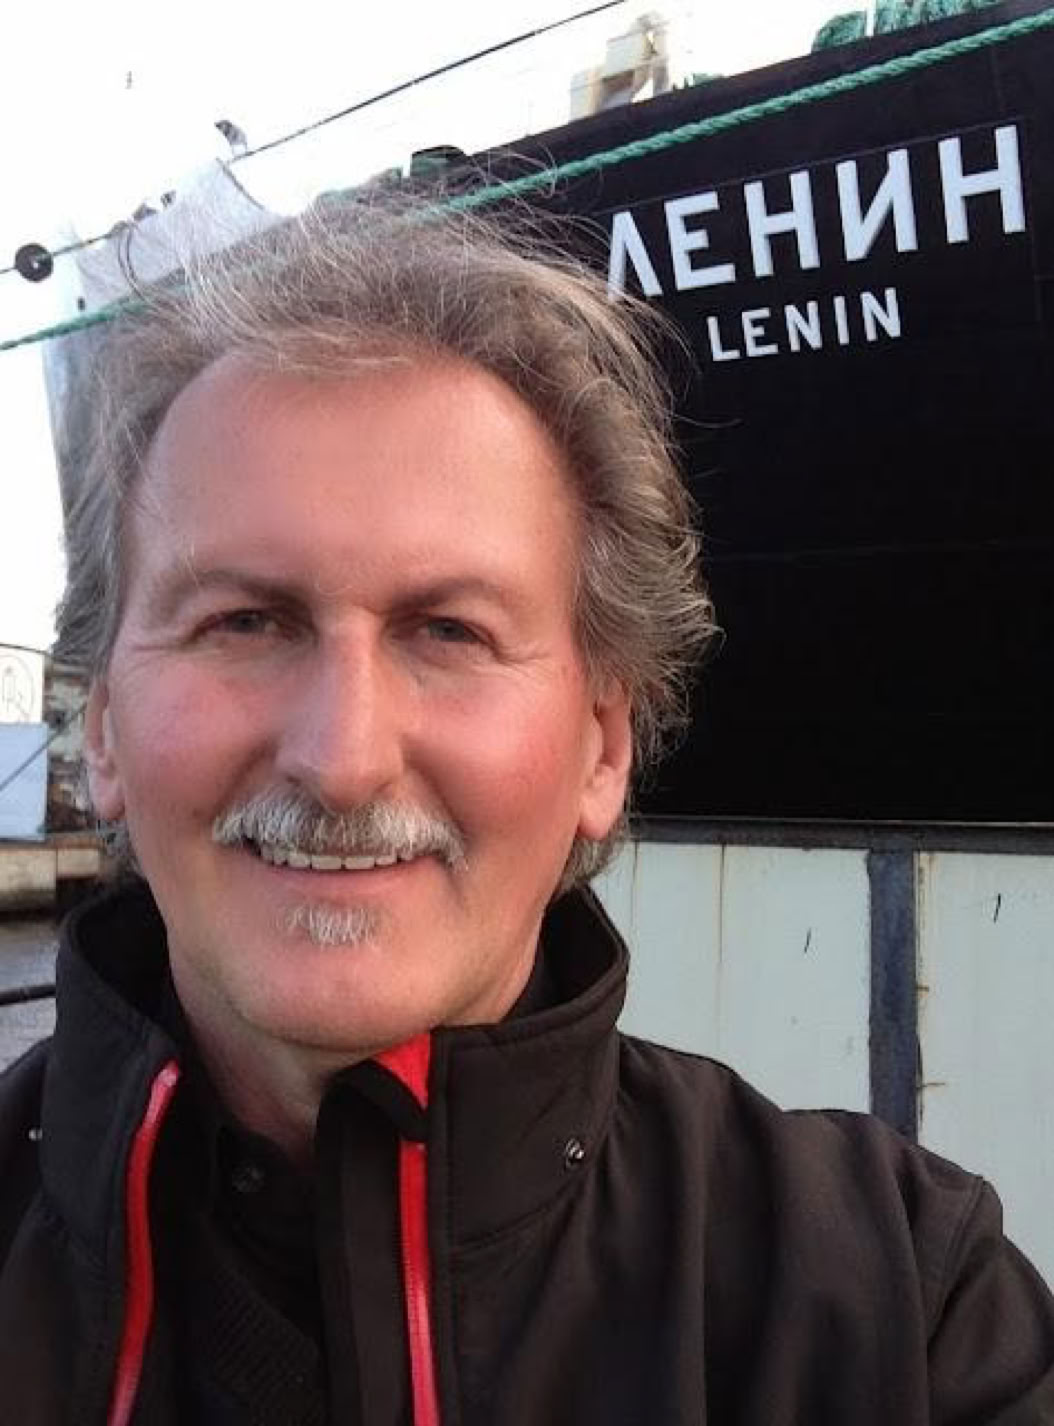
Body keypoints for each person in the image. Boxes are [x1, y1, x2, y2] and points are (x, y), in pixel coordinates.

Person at [1, 197, 1052, 1426]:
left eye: (449, 631)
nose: (340, 759)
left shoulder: (905, 1313)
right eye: (244, 621)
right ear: (102, 727)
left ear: (603, 745)